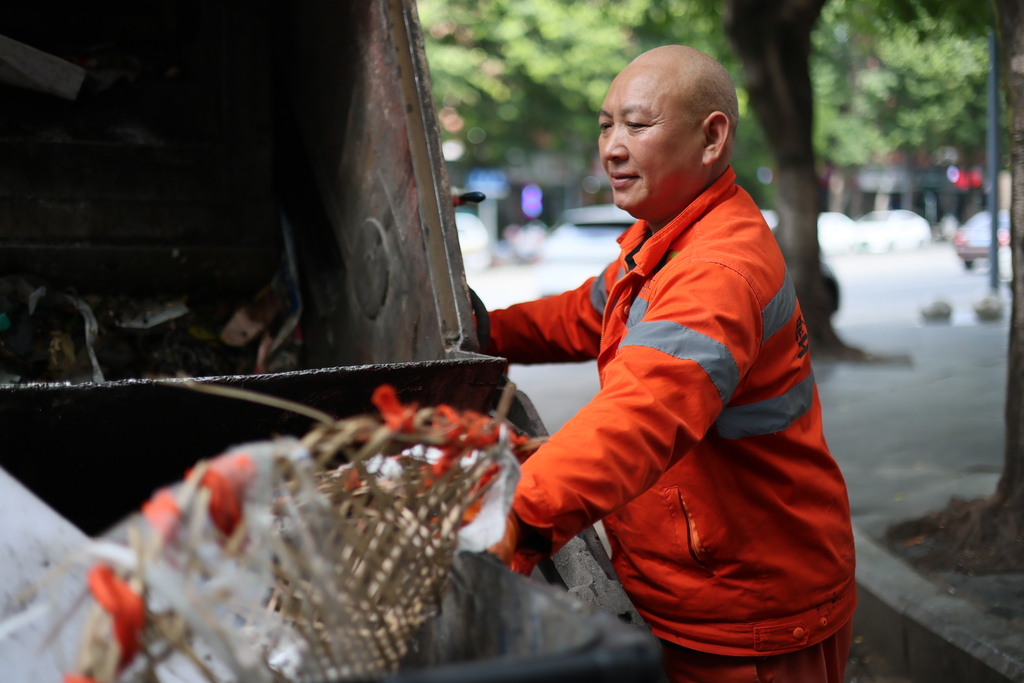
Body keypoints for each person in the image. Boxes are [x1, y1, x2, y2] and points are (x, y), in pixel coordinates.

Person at [485, 45, 856, 683]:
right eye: (606, 125)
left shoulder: (716, 270)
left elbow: (640, 413)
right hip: (693, 590)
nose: (612, 147)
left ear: (712, 138)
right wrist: (475, 332)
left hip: (751, 615)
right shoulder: (662, 240)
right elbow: (581, 314)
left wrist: (513, 521)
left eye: (637, 124)